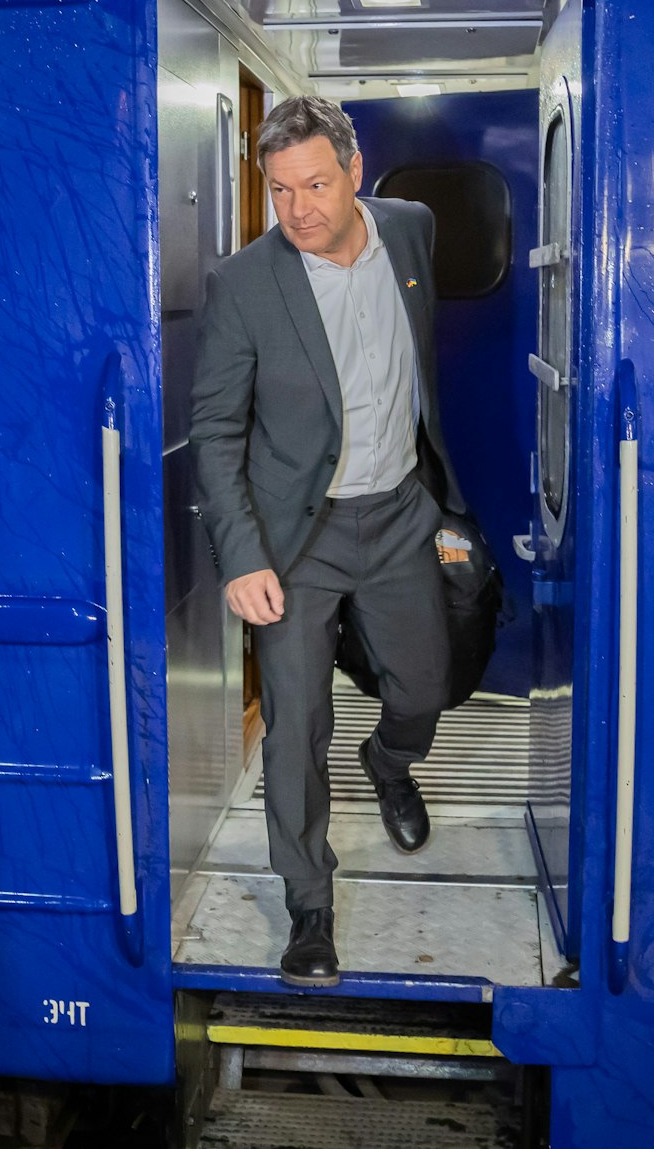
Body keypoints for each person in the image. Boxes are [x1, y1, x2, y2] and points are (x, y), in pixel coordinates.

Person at [191, 95, 468, 986]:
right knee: (295, 725)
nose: (300, 207)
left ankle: (388, 762)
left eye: (317, 183)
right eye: (280, 190)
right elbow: (217, 431)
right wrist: (241, 558)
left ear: (356, 171)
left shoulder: (412, 231)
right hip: (293, 536)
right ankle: (309, 902)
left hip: (397, 515)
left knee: (427, 684)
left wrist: (437, 500)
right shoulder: (244, 283)